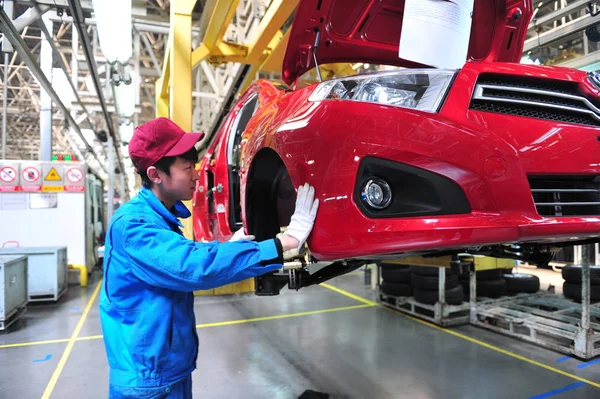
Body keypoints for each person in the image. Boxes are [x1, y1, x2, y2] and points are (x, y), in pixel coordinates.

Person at [99, 117, 319, 398]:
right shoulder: (134, 225)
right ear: (156, 175)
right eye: (188, 167)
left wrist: (228, 245)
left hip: (165, 368)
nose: (196, 175)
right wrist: (282, 243)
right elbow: (190, 267)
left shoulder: (156, 218)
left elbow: (185, 255)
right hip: (149, 381)